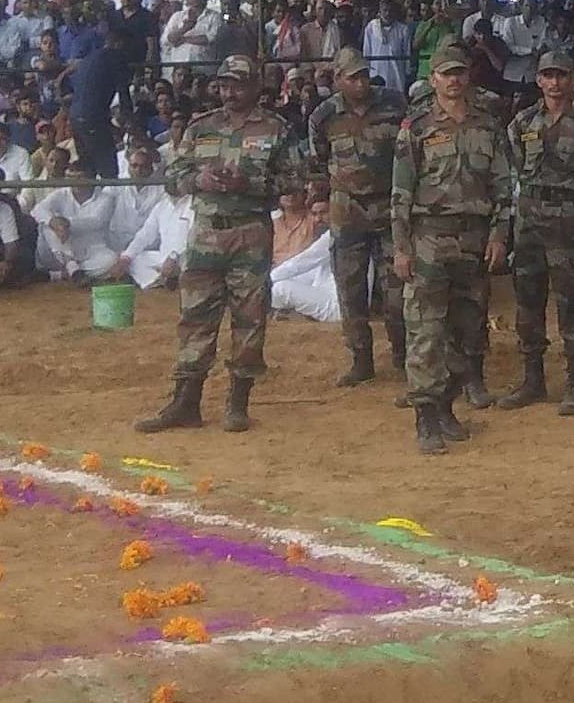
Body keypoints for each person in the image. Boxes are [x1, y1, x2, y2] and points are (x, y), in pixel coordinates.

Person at [138, 58, 295, 434]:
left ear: (256, 87)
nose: (229, 93)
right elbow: (173, 177)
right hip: (206, 233)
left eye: (237, 85)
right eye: (224, 86)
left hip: (250, 234)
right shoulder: (200, 127)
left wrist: (251, 185)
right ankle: (185, 401)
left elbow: (295, 179)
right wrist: (200, 178)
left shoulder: (276, 129)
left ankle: (238, 401)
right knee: (195, 316)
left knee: (249, 318)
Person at [390, 44, 507, 456]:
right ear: (433, 79)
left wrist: (499, 235)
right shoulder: (417, 128)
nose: (454, 80)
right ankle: (425, 416)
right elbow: (401, 193)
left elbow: (503, 186)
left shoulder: (488, 126)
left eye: (459, 72)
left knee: (467, 331)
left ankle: (446, 406)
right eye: (446, 74)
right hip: (429, 240)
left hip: (474, 240)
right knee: (425, 329)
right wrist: (401, 248)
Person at [498, 47, 574, 414]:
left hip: (567, 219)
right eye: (548, 76)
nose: (554, 82)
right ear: (538, 80)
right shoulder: (522, 123)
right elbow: (515, 166)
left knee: (570, 303)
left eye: (561, 75)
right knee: (528, 302)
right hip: (530, 218)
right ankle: (532, 379)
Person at [321, 62, 404, 389]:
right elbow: (319, 159)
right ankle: (361, 360)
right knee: (351, 290)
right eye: (352, 77)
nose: (360, 83)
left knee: (397, 292)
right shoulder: (324, 115)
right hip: (347, 214)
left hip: (387, 210)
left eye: (364, 75)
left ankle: (403, 355)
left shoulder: (394, 105)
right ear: (338, 80)